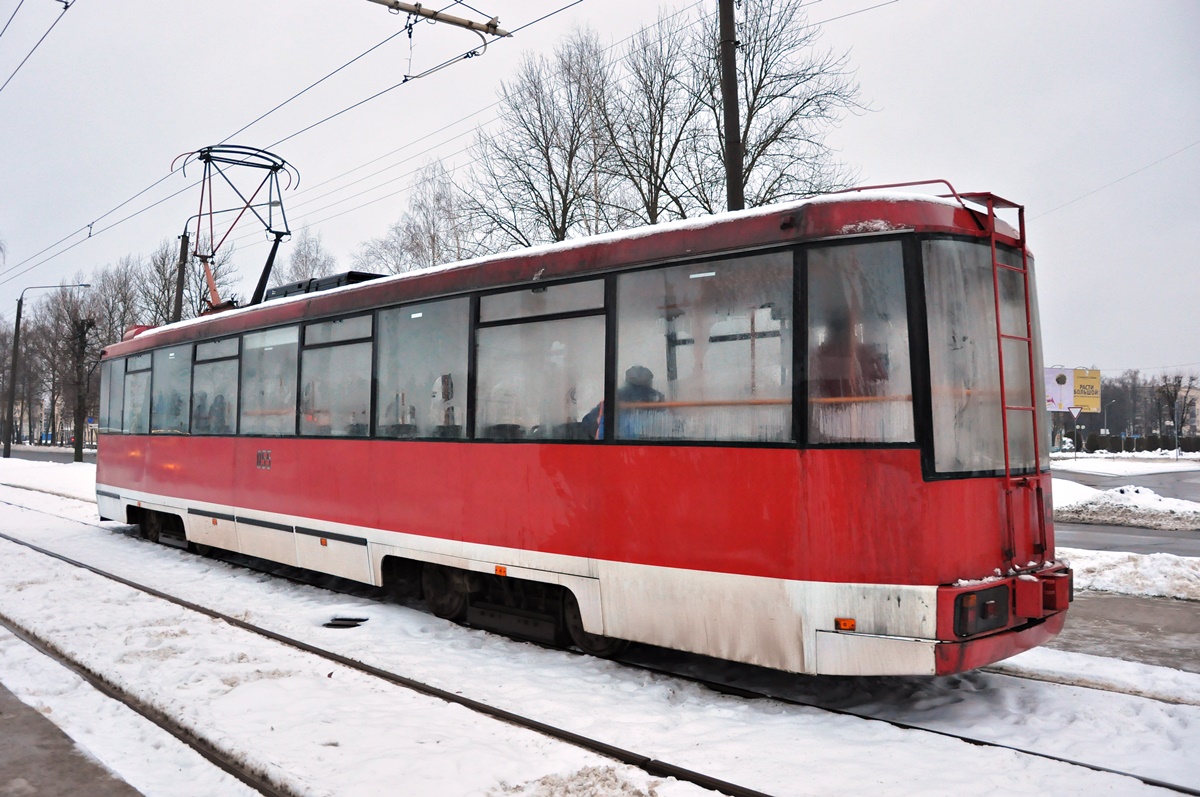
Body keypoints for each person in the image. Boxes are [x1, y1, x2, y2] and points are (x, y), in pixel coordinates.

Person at [581, 365, 665, 439]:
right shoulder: (657, 397)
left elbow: (587, 422)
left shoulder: (615, 396)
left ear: (626, 380)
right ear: (650, 381)